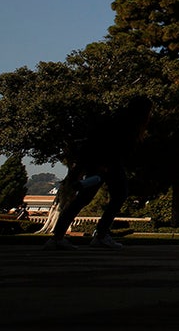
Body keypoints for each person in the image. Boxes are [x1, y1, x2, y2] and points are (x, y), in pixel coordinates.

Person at [44, 96, 152, 251]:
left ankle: (59, 236)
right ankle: (100, 234)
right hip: (108, 163)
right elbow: (114, 146)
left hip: (103, 162)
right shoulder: (126, 125)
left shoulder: (118, 120)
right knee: (117, 195)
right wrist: (104, 164)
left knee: (84, 198)